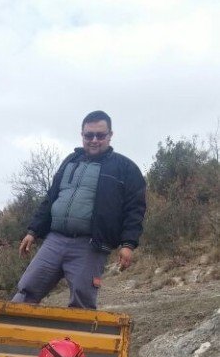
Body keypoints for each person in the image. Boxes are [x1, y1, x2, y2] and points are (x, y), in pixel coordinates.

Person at [12, 110, 146, 309]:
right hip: (54, 240)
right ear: (82, 135)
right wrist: (33, 231)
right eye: (88, 135)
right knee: (26, 291)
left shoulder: (126, 168)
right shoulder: (70, 161)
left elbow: (135, 209)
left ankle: (75, 341)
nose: (94, 140)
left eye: (100, 135)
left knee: (82, 302)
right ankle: (9, 337)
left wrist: (128, 244)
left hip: (91, 245)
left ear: (110, 135)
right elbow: (51, 197)